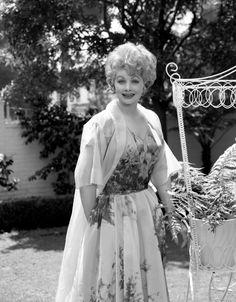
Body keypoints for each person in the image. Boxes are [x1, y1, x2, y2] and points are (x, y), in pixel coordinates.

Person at [56, 42, 181, 302]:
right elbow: (86, 180)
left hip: (146, 212)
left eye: (134, 80)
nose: (127, 87)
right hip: (111, 216)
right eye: (121, 80)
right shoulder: (100, 125)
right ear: (112, 83)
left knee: (147, 284)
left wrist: (171, 212)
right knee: (111, 282)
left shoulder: (152, 120)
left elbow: (160, 170)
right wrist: (96, 225)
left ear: (145, 83)